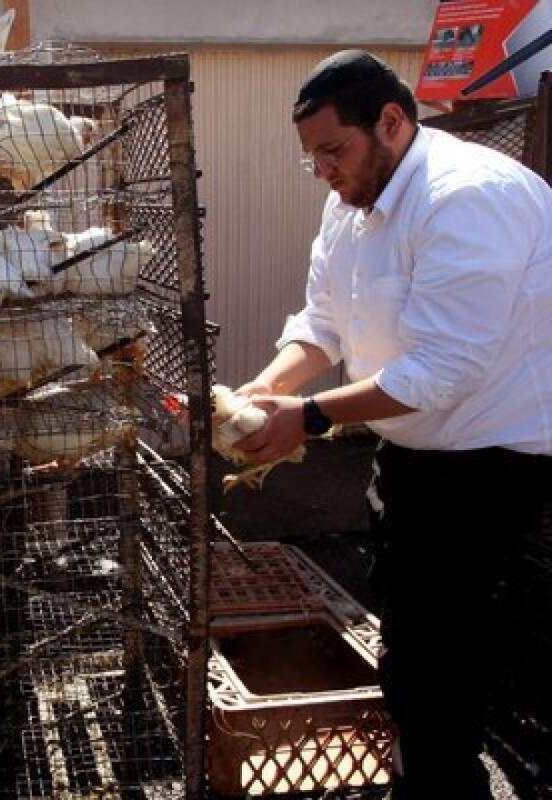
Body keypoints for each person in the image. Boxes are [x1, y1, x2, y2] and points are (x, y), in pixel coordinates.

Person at [234, 49, 552, 799]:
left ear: (392, 121)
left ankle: (442, 778)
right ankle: (429, 767)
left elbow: (444, 370)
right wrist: (265, 389)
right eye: (312, 157)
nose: (323, 171)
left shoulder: (468, 196)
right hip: (416, 453)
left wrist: (306, 417)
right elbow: (323, 323)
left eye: (333, 151)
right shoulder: (349, 206)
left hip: (494, 458)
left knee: (445, 654)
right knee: (413, 634)